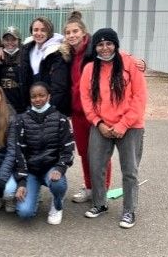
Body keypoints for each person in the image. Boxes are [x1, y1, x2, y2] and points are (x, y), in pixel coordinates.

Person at [62, 11, 146, 203]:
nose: (72, 35)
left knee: (105, 158)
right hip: (79, 111)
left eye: (76, 31)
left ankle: (103, 191)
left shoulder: (94, 51)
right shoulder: (66, 54)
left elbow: (117, 53)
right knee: (86, 154)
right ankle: (91, 188)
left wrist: (136, 60)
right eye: (68, 32)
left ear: (84, 33)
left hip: (100, 114)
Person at [80, 28, 146, 229]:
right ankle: (99, 203)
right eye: (100, 44)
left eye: (109, 43)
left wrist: (123, 124)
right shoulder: (90, 69)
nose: (105, 48)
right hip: (101, 125)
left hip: (130, 126)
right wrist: (98, 123)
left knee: (129, 170)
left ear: (115, 45)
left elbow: (139, 97)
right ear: (95, 47)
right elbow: (87, 99)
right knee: (97, 166)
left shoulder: (129, 64)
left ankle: (129, 210)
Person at [16, 82, 74, 225]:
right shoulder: (22, 120)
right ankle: (35, 194)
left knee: (58, 184)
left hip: (51, 168)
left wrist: (60, 168)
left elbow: (68, 149)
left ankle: (57, 202)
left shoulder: (61, 119)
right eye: (34, 96)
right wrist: (22, 181)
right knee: (24, 213)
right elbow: (19, 152)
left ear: (49, 96)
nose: (38, 99)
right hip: (31, 171)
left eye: (42, 95)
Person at [20, 16, 70, 115]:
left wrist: (49, 109)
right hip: (31, 107)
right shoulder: (26, 49)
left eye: (43, 30)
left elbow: (59, 86)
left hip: (51, 107)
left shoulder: (57, 52)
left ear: (49, 32)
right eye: (35, 30)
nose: (39, 33)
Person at [0, 26, 26, 113]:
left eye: (13, 39)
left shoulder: (25, 55)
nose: (10, 42)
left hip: (20, 104)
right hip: (3, 104)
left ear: (19, 40)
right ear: (2, 41)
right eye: (7, 39)